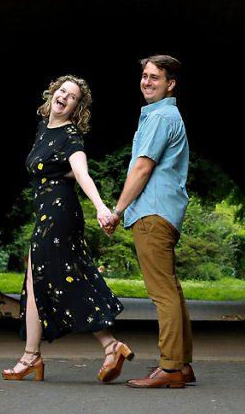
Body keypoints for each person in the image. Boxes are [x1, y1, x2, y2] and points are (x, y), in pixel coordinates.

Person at [2, 75, 132, 383]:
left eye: (72, 96)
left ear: (76, 108)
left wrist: (101, 207)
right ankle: (30, 356)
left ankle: (110, 344)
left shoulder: (71, 136)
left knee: (63, 278)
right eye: (62, 91)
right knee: (35, 283)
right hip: (46, 214)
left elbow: (81, 172)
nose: (64, 97)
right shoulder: (43, 128)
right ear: (52, 93)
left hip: (61, 215)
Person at [100, 55, 195, 388]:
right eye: (144, 75)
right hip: (164, 211)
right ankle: (182, 365)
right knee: (172, 289)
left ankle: (170, 370)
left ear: (171, 84)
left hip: (152, 212)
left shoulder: (160, 118)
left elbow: (142, 168)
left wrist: (118, 210)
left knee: (162, 293)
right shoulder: (166, 115)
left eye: (155, 77)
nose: (147, 81)